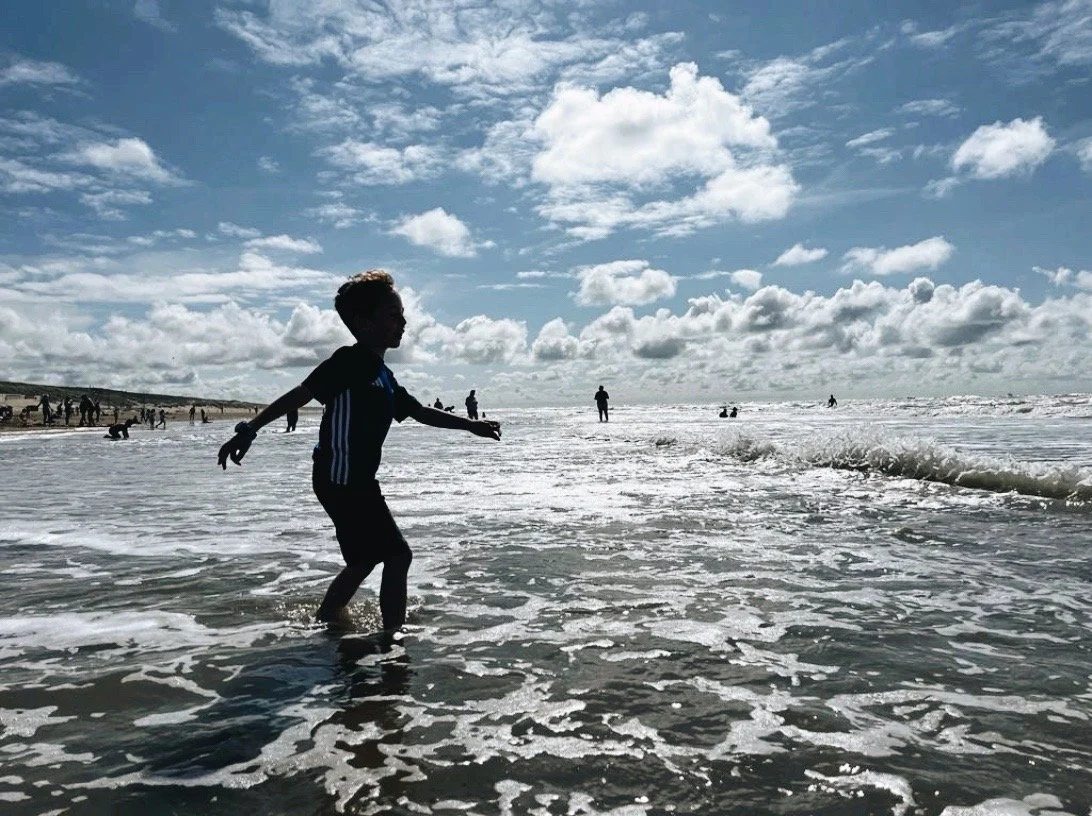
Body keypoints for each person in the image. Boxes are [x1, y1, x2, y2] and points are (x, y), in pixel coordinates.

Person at [217, 270, 502, 633]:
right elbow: (299, 394)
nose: (403, 322)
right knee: (398, 555)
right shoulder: (347, 362)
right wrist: (249, 429)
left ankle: (328, 619)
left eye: (402, 315)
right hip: (340, 478)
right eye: (394, 315)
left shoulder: (382, 374)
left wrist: (470, 425)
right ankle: (392, 644)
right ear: (364, 323)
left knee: (365, 559)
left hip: (356, 480)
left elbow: (417, 411)